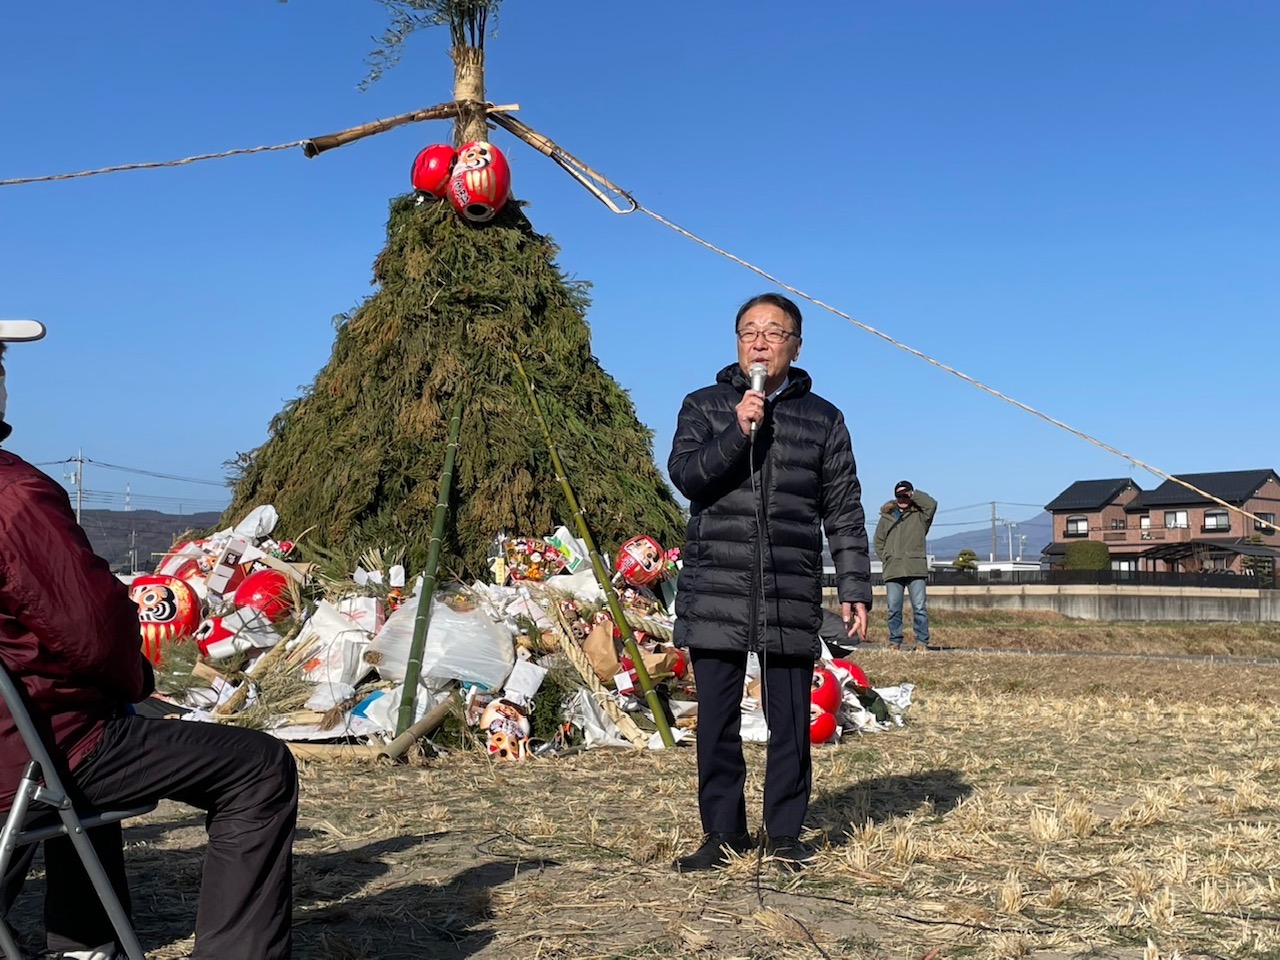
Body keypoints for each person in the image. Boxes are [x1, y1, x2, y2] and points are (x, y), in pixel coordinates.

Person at [0, 320, 298, 960]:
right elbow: (95, 633)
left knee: (86, 725)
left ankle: (84, 941)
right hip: (25, 759)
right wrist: (136, 677)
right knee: (260, 767)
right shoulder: (14, 500)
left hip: (24, 745)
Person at [667, 293, 871, 872]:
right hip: (717, 585)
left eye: (774, 332)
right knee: (717, 719)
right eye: (749, 331)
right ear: (736, 343)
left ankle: (784, 834)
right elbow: (688, 477)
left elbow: (844, 506)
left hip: (789, 582)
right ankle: (722, 834)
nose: (760, 341)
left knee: (791, 720)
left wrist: (854, 582)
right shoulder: (704, 406)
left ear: (796, 346)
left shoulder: (824, 419)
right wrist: (737, 431)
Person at [873, 480, 938, 650]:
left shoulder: (920, 516)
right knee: (893, 608)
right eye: (898, 495)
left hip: (915, 567)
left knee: (919, 608)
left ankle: (922, 641)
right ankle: (895, 641)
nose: (902, 498)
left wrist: (914, 495)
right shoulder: (886, 516)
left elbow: (932, 505)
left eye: (905, 495)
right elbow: (878, 541)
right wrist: (887, 557)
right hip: (893, 569)